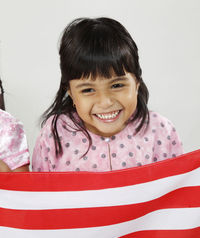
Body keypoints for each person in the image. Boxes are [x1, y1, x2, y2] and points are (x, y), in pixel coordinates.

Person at [32, 17, 183, 172]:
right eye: (88, 90)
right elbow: (40, 193)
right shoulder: (55, 133)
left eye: (117, 85)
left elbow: (176, 192)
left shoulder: (161, 131)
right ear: (70, 92)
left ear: (137, 82)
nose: (105, 102)